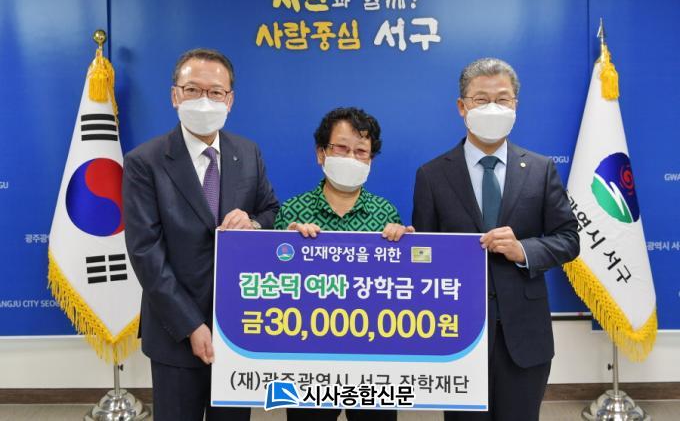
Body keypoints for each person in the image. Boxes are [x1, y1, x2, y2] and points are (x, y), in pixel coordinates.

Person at [412, 58, 579, 421]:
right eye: (480, 99)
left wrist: (524, 250)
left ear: (515, 106)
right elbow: (424, 256)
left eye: (502, 99)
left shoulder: (540, 169)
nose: (492, 108)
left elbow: (569, 239)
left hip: (524, 334)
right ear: (462, 107)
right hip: (458, 333)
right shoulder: (432, 175)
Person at [123, 48, 279, 421]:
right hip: (174, 331)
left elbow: (271, 211)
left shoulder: (247, 152)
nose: (204, 100)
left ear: (230, 100)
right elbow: (146, 252)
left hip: (237, 326)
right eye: (193, 89)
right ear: (175, 95)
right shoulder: (144, 162)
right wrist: (191, 325)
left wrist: (253, 223)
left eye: (215, 92)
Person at [274, 107, 413, 421]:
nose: (351, 157)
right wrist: (287, 245)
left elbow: (401, 287)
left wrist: (407, 248)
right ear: (321, 153)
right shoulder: (292, 211)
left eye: (361, 151)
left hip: (373, 357)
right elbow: (271, 283)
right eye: (341, 148)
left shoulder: (386, 212)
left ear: (370, 160)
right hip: (307, 356)